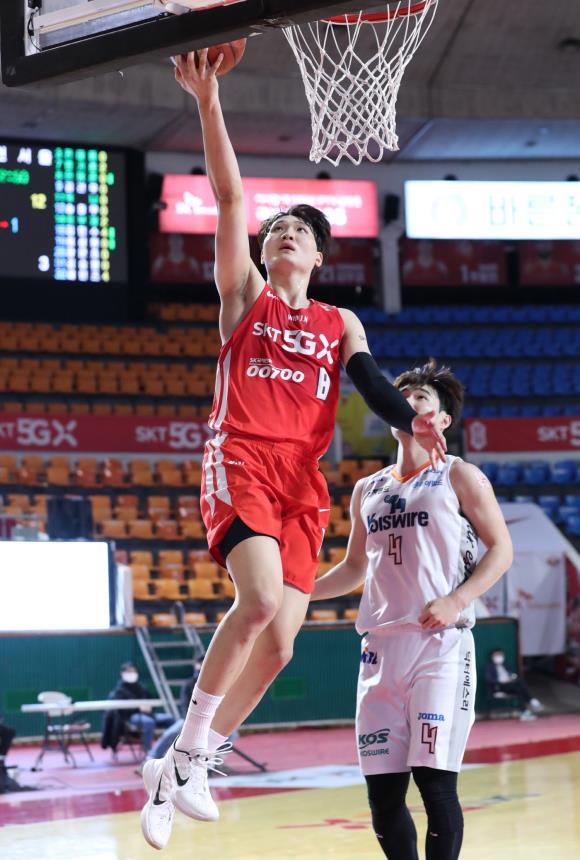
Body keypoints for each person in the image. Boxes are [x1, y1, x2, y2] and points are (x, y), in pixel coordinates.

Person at [140, 49, 447, 851]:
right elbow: (230, 195)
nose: (283, 235)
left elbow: (370, 380)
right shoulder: (243, 295)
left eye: (298, 233)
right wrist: (208, 97)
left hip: (301, 482)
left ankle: (181, 766)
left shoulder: (340, 322)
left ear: (317, 257)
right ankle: (189, 753)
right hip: (242, 457)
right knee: (258, 602)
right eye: (276, 230)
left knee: (278, 645)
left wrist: (411, 424)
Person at [312, 359, 514, 860]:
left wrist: (457, 599)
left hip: (438, 646)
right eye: (400, 398)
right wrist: (297, 591)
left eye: (421, 398)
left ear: (442, 419)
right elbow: (354, 568)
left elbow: (501, 549)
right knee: (383, 797)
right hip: (380, 650)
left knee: (434, 784)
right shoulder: (368, 488)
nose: (408, 404)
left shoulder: (459, 475)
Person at [106, 663, 171, 756]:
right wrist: (139, 709)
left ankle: (170, 749)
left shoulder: (141, 688)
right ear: (122, 673)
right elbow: (120, 711)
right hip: (131, 717)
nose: (131, 674)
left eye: (133, 671)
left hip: (149, 714)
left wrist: (150, 707)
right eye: (129, 672)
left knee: (170, 719)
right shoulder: (119, 691)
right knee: (149, 722)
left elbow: (151, 701)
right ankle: (149, 752)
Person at [484, 649, 542, 721]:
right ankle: (531, 700)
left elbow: (512, 674)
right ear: (492, 656)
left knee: (519, 688)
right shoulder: (489, 667)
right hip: (499, 687)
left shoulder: (506, 665)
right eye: (496, 655)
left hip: (510, 686)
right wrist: (501, 681)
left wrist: (511, 678)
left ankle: (524, 712)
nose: (498, 657)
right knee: (518, 686)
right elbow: (488, 679)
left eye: (500, 655)